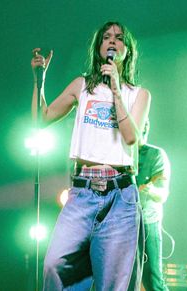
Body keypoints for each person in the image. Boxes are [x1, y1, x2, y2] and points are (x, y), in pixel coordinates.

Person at [31, 21, 151, 291]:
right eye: (106, 38)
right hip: (82, 192)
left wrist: (117, 90)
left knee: (115, 284)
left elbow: (131, 137)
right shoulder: (82, 85)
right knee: (55, 266)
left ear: (127, 50)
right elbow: (42, 118)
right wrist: (41, 79)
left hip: (120, 196)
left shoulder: (139, 94)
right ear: (99, 48)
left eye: (119, 39)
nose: (112, 42)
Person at [136, 120, 170, 291]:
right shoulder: (119, 154)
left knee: (153, 280)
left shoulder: (156, 154)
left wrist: (149, 189)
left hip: (148, 222)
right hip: (122, 223)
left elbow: (162, 195)